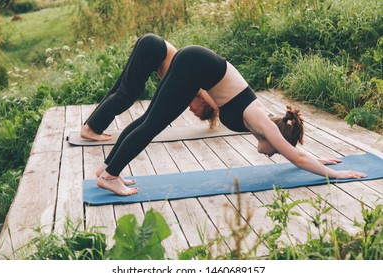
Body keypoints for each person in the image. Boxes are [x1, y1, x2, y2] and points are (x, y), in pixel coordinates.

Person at [95, 43, 367, 196]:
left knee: (149, 121)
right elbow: (295, 157)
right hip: (195, 64)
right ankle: (110, 175)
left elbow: (294, 150)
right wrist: (336, 174)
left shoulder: (265, 122)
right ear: (275, 138)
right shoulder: (261, 121)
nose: (273, 155)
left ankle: (107, 168)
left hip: (195, 62)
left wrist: (318, 158)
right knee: (152, 124)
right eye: (277, 150)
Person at [81, 33, 219, 142]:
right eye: (197, 112)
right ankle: (91, 129)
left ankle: (91, 126)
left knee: (119, 90)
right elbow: (218, 106)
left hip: (151, 44)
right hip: (154, 48)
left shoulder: (189, 88)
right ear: (204, 102)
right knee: (127, 95)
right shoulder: (197, 87)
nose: (191, 110)